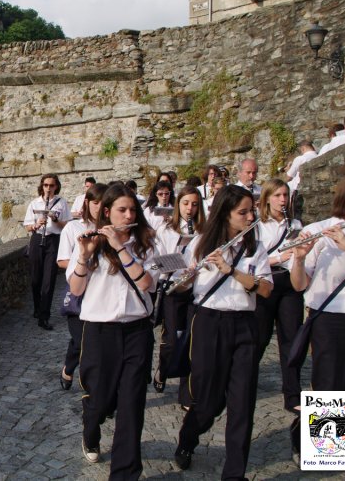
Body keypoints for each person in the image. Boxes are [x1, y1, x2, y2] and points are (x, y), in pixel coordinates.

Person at [173, 185, 272, 478]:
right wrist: (185, 278)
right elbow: (182, 287)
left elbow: (269, 288)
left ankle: (234, 473)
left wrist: (232, 271)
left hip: (246, 322)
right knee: (209, 401)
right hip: (210, 322)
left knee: (243, 403)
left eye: (252, 210)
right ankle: (188, 438)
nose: (251, 215)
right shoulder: (202, 243)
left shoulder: (263, 241)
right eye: (243, 211)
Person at [68, 184, 156, 477]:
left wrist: (119, 245)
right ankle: (90, 432)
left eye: (132, 210)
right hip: (99, 332)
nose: (128, 214)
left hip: (137, 331)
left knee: (131, 406)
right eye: (122, 210)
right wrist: (84, 255)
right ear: (107, 212)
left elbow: (145, 283)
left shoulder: (145, 243)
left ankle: (125, 473)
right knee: (100, 400)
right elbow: (75, 289)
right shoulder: (91, 244)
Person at [290, 170, 345, 481]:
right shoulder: (320, 230)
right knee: (332, 394)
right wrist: (299, 257)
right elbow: (300, 285)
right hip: (332, 321)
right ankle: (327, 465)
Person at [153, 185, 205, 410]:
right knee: (172, 340)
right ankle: (163, 369)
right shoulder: (167, 230)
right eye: (185, 204)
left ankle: (186, 394)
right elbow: (157, 261)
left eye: (194, 204)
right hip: (173, 289)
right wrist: (178, 262)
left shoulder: (205, 230)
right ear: (178, 205)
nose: (190, 209)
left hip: (196, 289)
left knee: (191, 342)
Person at [254, 179, 304, 413]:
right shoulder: (257, 225)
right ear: (266, 199)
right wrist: (280, 258)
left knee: (292, 340)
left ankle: (293, 394)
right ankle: (246, 381)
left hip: (289, 282)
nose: (283, 200)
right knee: (260, 338)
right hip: (268, 280)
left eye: (285, 195)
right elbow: (253, 259)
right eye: (277, 195)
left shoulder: (295, 223)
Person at [57, 183, 107, 390]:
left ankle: (97, 392)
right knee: (80, 342)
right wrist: (84, 264)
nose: (99, 208)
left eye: (104, 204)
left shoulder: (111, 231)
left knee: (97, 347)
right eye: (96, 203)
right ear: (87, 203)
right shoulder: (73, 227)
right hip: (80, 293)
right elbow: (62, 261)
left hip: (103, 295)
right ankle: (68, 368)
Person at [23, 173, 71, 330]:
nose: (48, 188)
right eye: (46, 185)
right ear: (42, 186)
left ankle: (44, 316)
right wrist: (36, 224)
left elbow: (67, 225)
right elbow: (27, 226)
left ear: (56, 186)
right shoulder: (34, 203)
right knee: (35, 279)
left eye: (51, 185)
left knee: (49, 280)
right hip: (37, 239)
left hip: (53, 241)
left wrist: (55, 220)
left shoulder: (61, 203)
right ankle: (37, 309)